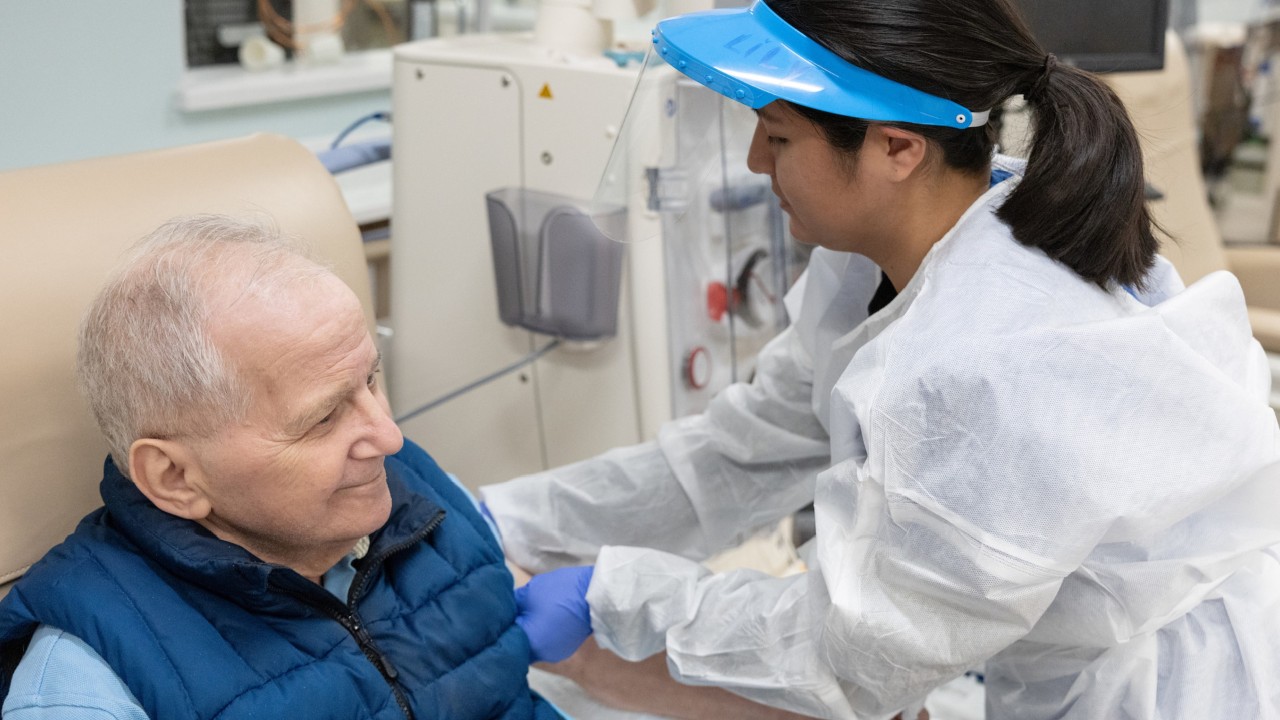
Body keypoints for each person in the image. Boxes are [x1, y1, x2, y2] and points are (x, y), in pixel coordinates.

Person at [486, 0, 1280, 718]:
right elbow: (739, 452)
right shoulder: (887, 251)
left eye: (781, 133)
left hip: (1181, 692)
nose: (758, 161)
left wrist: (617, 598)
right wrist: (504, 518)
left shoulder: (991, 360)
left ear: (896, 148)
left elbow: (856, 654)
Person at [0, 215, 567, 720]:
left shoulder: (415, 490)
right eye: (323, 418)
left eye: (370, 380)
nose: (388, 438)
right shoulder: (88, 687)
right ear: (176, 478)